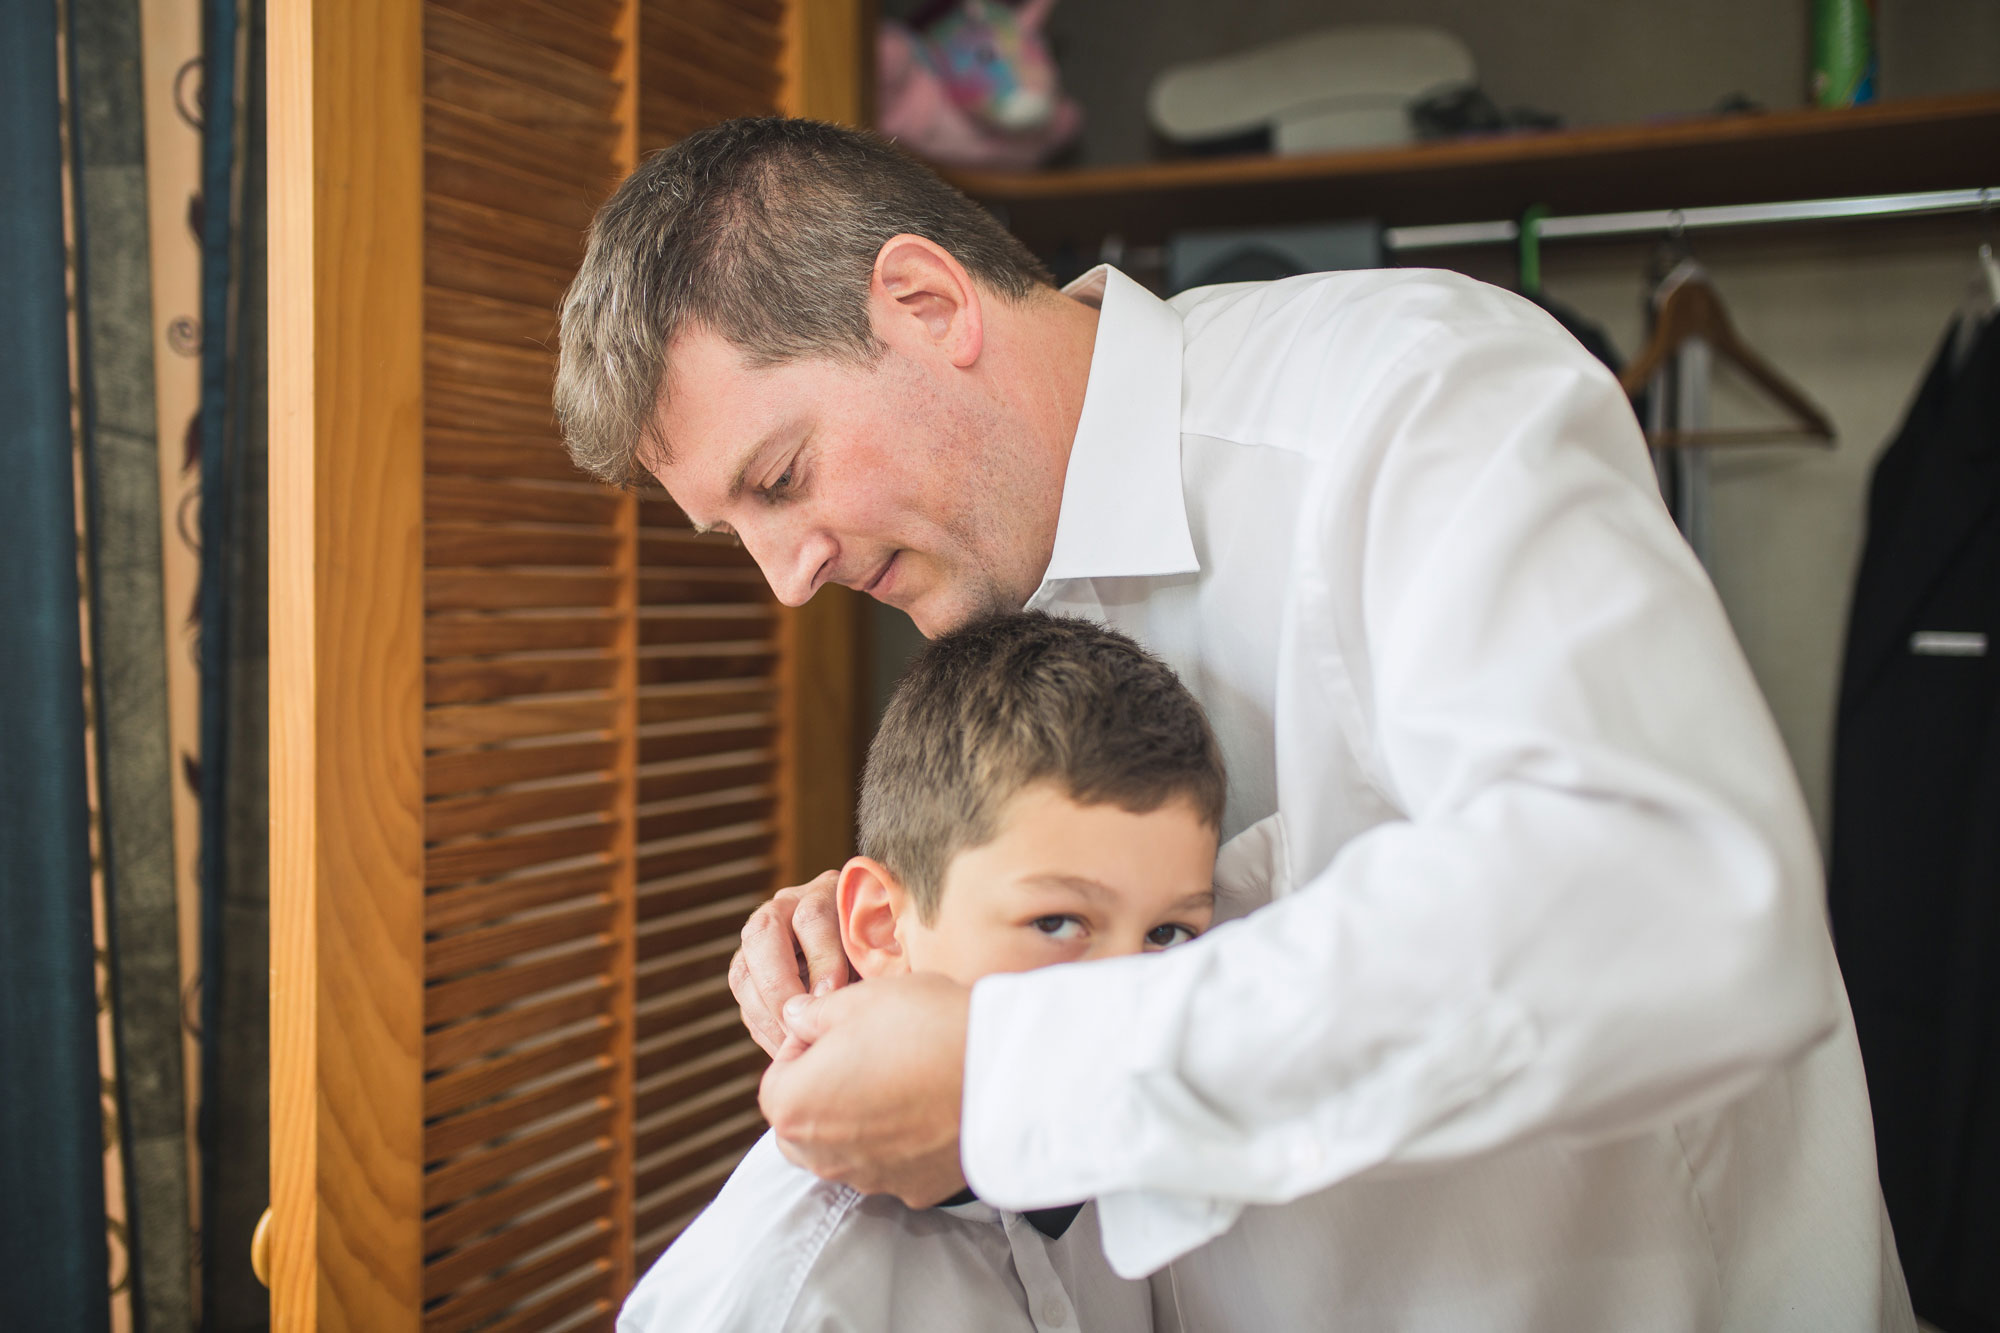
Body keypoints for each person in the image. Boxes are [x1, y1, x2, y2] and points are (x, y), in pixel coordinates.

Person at [557, 117, 1912, 1329]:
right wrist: (911, 944)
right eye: (738, 532)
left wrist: (1009, 1068)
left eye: (781, 480)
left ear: (923, 301)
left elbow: (1669, 897)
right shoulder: (989, 618)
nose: (787, 577)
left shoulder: (1408, 401)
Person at [619, 611, 1228, 1332]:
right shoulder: (786, 1291)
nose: (1121, 995)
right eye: (1057, 922)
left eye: (1168, 932)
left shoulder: (1141, 1147)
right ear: (881, 925)